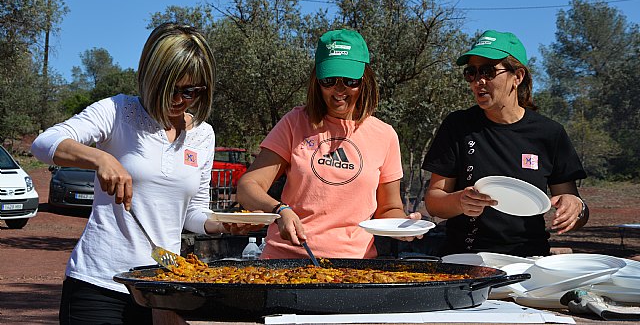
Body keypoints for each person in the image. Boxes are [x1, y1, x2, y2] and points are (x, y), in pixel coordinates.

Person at [31, 23, 258, 325]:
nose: (180, 99)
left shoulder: (203, 135)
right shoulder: (117, 112)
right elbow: (44, 143)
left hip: (161, 290)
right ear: (151, 78)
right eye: (171, 88)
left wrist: (222, 225)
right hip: (100, 285)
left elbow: (193, 213)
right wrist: (100, 158)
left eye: (190, 90)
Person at [236, 29, 421, 259]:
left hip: (353, 268)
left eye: (350, 80)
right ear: (317, 80)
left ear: (365, 80)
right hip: (286, 262)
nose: (339, 89)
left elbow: (388, 209)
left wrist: (405, 226)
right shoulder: (294, 122)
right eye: (329, 80)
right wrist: (279, 209)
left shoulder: (385, 135)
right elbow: (248, 186)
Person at [422, 30, 589, 257]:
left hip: (529, 260)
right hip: (466, 258)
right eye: (471, 72)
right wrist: (460, 202)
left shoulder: (550, 133)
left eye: (488, 71)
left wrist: (576, 208)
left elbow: (575, 209)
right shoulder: (458, 126)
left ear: (517, 76)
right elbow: (434, 202)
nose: (478, 81)